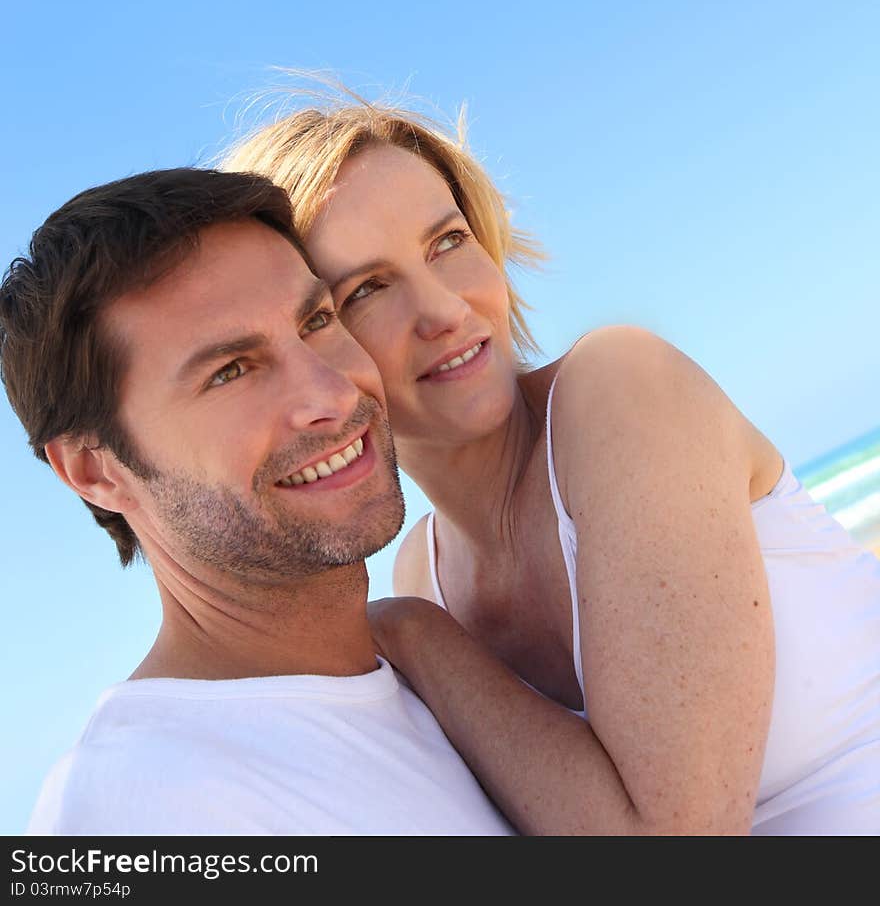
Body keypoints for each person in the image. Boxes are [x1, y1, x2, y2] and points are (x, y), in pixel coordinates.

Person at [224, 95, 880, 835]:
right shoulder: (425, 578)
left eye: (447, 242)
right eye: (366, 290)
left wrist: (412, 636)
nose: (444, 309)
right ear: (307, 346)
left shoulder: (621, 390)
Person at [0, 168, 513, 837]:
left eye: (317, 320)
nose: (331, 395)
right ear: (96, 470)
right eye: (232, 371)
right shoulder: (134, 810)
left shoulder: (436, 683)